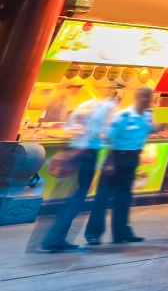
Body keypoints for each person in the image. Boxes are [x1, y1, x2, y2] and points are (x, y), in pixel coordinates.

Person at [39, 87, 117, 252]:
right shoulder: (104, 110)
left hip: (76, 153)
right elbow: (97, 135)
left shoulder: (85, 106)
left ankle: (54, 237)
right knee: (76, 198)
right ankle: (55, 239)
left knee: (69, 197)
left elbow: (70, 127)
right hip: (86, 155)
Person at [88, 86, 156, 245]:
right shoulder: (122, 116)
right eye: (145, 97)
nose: (148, 100)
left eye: (150, 97)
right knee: (102, 199)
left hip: (132, 159)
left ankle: (121, 233)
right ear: (138, 98)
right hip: (116, 158)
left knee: (124, 198)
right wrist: (110, 163)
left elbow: (149, 131)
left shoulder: (147, 115)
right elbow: (109, 139)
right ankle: (93, 234)